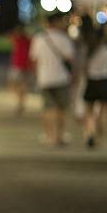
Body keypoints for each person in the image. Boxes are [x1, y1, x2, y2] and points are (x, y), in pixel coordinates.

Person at [29, 12, 75, 146]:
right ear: (56, 22)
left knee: (47, 108)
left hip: (44, 78)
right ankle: (59, 136)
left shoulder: (38, 38)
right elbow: (70, 59)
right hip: (61, 78)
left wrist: (37, 76)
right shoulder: (64, 38)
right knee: (61, 108)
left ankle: (49, 136)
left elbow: (34, 60)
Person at [80, 17, 107, 148]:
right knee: (103, 112)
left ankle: (89, 133)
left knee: (89, 111)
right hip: (105, 82)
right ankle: (99, 137)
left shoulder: (88, 50)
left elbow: (84, 69)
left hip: (91, 81)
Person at [7, 24, 32, 115]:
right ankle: (21, 103)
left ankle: (20, 103)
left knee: (15, 84)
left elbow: (10, 39)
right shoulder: (28, 40)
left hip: (19, 65)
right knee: (21, 85)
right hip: (24, 65)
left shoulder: (18, 39)